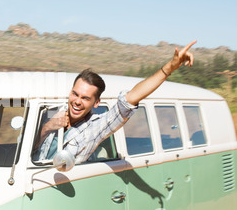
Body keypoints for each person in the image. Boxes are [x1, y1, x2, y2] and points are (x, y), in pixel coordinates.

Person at [36, 40, 197, 164]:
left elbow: (129, 100)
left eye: (85, 98)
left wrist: (169, 68)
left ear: (96, 103)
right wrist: (47, 128)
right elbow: (30, 146)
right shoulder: (52, 111)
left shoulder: (94, 128)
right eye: (75, 94)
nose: (77, 102)